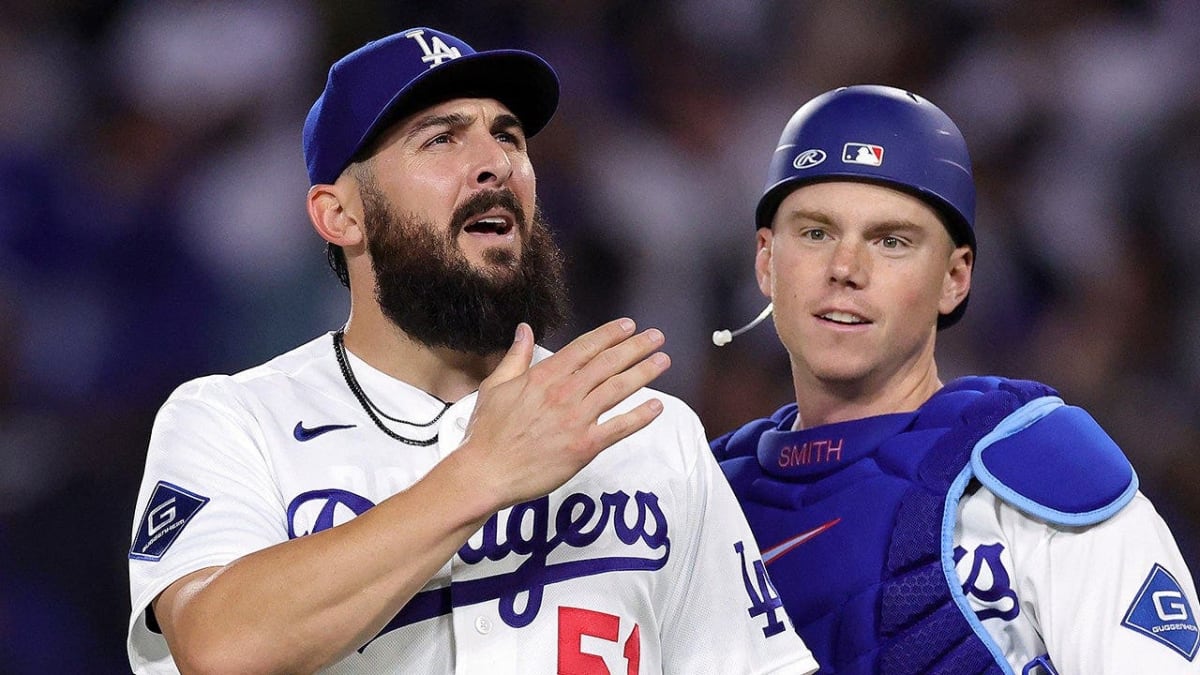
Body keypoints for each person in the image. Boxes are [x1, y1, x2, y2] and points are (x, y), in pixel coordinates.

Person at [126, 27, 819, 675]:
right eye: (441, 140)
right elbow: (219, 646)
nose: (494, 163)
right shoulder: (233, 420)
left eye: (508, 136)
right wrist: (482, 473)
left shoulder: (647, 431)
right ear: (340, 214)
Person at [711, 84, 1200, 674]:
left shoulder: (1040, 477)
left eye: (891, 241)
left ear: (954, 278)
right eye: (816, 233)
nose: (845, 269)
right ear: (766, 260)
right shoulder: (701, 500)